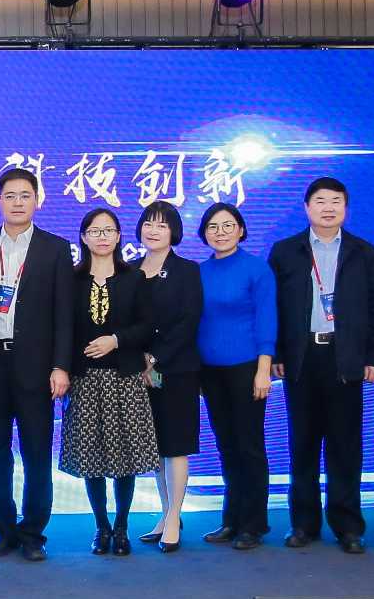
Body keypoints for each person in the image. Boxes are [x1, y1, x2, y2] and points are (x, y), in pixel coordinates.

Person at [268, 177, 374, 555]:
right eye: (320, 201)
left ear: (346, 208)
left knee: (345, 446)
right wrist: (277, 354)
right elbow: (273, 308)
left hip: (345, 357)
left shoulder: (363, 252)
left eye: (336, 201)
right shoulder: (285, 252)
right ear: (307, 208)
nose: (328, 208)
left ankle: (348, 526)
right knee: (302, 444)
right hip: (302, 358)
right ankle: (303, 524)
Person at [0, 168, 73, 562]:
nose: (17, 202)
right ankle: (4, 530)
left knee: (36, 454)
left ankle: (33, 533)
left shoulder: (55, 248)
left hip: (37, 367)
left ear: (37, 200)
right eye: (9, 195)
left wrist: (61, 365)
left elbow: (64, 314)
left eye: (25, 195)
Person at [58, 209, 159, 556]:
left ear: (118, 236)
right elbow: (63, 329)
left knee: (125, 458)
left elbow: (147, 326)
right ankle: (101, 527)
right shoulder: (71, 280)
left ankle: (122, 527)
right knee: (92, 458)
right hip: (84, 380)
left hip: (124, 378)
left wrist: (115, 340)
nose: (102, 237)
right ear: (83, 237)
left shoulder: (135, 278)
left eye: (109, 230)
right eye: (94, 231)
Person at [196, 203, 276, 550]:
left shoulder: (257, 269)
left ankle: (253, 524)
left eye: (228, 225)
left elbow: (267, 320)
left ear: (241, 230)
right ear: (204, 233)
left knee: (249, 446)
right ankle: (231, 519)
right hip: (210, 372)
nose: (221, 232)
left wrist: (263, 370)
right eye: (213, 226)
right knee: (226, 446)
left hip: (247, 369)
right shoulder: (199, 272)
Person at [135, 201, 203, 553]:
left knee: (176, 446)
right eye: (148, 223)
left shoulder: (187, 270)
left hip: (176, 370)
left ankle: (175, 516)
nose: (154, 230)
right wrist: (139, 360)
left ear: (174, 231)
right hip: (139, 374)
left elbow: (188, 321)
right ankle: (165, 513)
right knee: (155, 447)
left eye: (162, 225)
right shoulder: (129, 270)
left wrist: (155, 358)